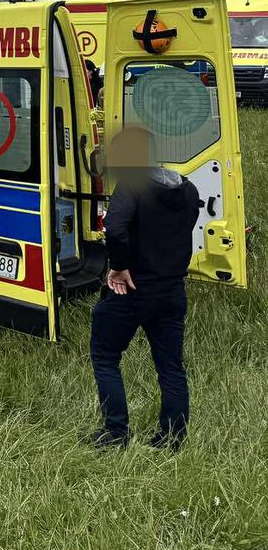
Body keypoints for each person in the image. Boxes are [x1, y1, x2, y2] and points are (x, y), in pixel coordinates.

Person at [90, 126, 197, 450]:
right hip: (172, 290)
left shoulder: (131, 186)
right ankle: (172, 439)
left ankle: (115, 434)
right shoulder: (187, 188)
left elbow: (115, 229)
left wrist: (120, 267)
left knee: (105, 356)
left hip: (133, 289)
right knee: (171, 367)